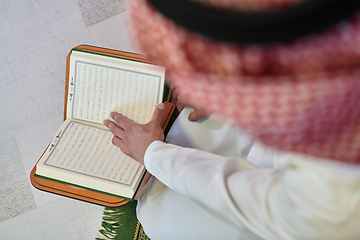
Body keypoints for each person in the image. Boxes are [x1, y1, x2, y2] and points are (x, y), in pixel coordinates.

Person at [104, 0, 360, 239]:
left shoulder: (336, 206)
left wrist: (153, 155)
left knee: (155, 215)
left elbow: (246, 199)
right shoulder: (329, 68)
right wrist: (225, 90)